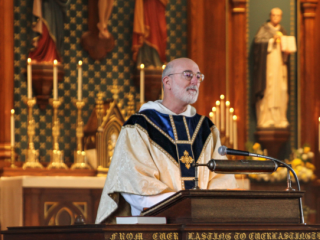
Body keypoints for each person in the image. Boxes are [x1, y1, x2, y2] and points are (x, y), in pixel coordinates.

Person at [95, 58, 238, 224]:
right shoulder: (139, 126)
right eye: (188, 75)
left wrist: (204, 209)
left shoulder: (206, 128)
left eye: (198, 76)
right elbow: (133, 182)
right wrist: (185, 206)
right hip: (156, 225)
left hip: (201, 225)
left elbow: (221, 178)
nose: (195, 81)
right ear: (167, 82)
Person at [252, 7, 291, 129]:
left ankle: (279, 118)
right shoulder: (264, 29)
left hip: (280, 67)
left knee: (281, 90)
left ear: (281, 17)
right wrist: (270, 41)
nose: (276, 18)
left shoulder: (282, 31)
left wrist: (286, 49)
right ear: (270, 15)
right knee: (268, 89)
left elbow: (286, 49)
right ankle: (266, 118)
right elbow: (258, 43)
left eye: (278, 16)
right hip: (267, 67)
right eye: (274, 15)